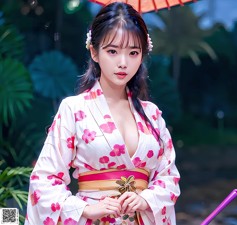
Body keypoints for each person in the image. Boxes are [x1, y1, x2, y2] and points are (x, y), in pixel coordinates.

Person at [25, 2, 180, 225]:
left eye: (133, 52)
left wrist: (146, 199)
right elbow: (44, 180)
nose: (123, 62)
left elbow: (169, 178)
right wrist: (86, 208)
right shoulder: (74, 109)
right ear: (94, 51)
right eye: (112, 51)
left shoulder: (153, 115)